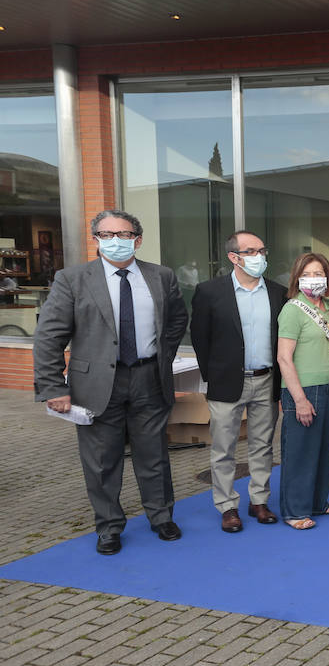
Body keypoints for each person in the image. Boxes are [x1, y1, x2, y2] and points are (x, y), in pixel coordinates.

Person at [33, 209, 189, 555]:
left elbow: (177, 320)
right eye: (107, 235)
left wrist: (161, 356)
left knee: (155, 456)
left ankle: (161, 516)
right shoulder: (72, 279)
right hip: (96, 385)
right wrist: (54, 387)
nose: (115, 241)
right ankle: (108, 527)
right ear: (96, 239)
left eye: (123, 234)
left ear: (138, 239)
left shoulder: (161, 276)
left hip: (150, 378)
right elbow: (49, 337)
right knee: (102, 461)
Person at [189, 231, 287, 532]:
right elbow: (199, 338)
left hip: (266, 380)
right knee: (223, 449)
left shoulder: (277, 292)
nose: (259, 257)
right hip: (227, 382)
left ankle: (259, 500)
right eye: (251, 251)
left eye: (262, 250)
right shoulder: (209, 292)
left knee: (262, 446)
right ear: (234, 257)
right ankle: (227, 506)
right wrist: (213, 376)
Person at [277, 252, 329, 530]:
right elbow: (284, 358)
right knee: (300, 451)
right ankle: (294, 510)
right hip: (302, 389)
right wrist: (299, 399)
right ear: (297, 278)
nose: (314, 279)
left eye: (319, 274)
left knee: (323, 448)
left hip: (327, 387)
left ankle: (317, 501)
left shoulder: (327, 306)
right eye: (308, 274)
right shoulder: (293, 309)